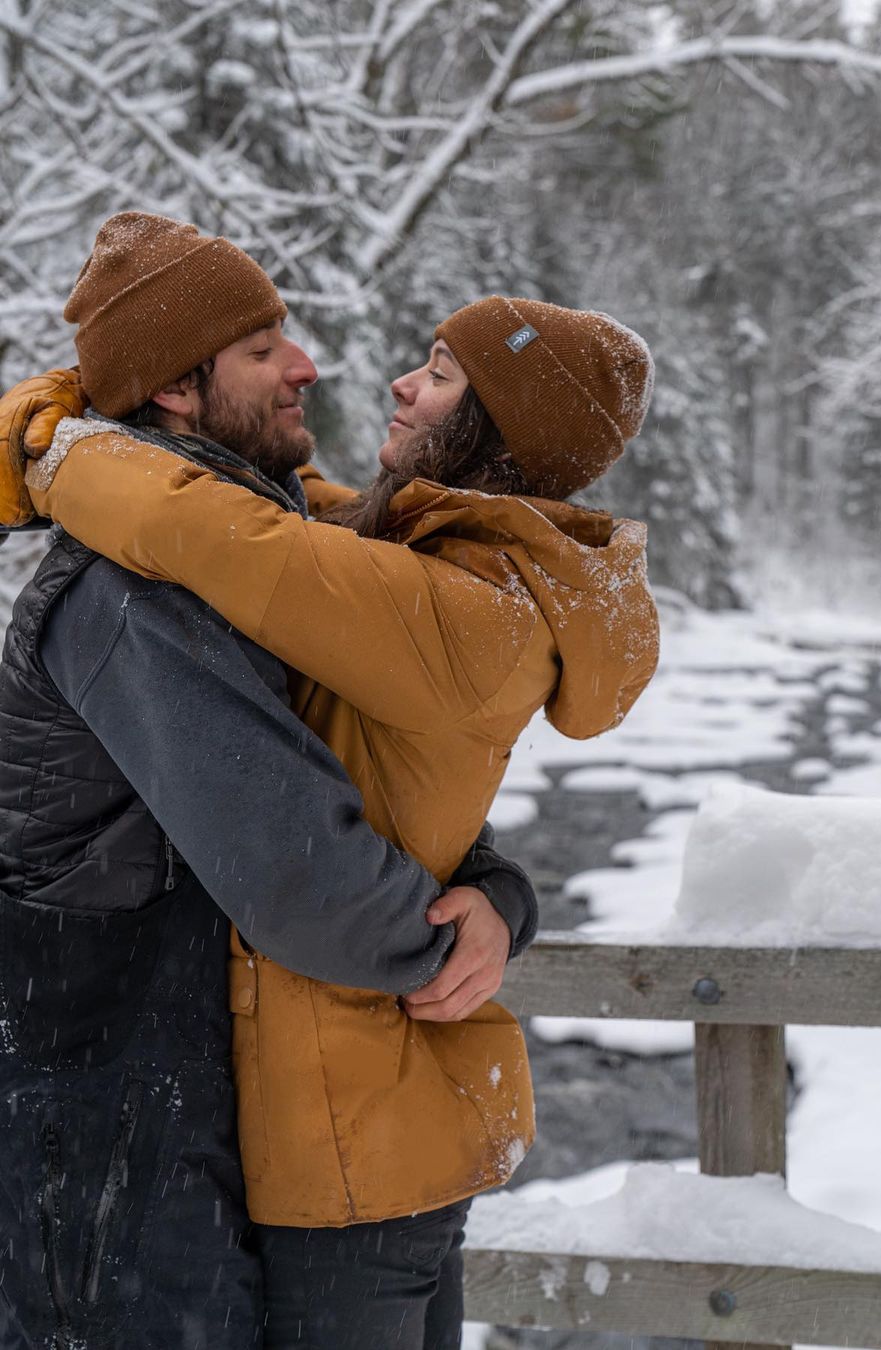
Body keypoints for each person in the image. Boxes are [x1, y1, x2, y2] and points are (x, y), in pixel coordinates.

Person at [2, 219, 661, 1349]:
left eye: (441, 373)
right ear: (174, 388)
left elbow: (341, 758)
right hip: (108, 1138)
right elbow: (311, 859)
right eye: (265, 347)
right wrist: (463, 929)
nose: (315, 365)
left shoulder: (342, 568)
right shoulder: (134, 599)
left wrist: (496, 898)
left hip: (247, 1127)